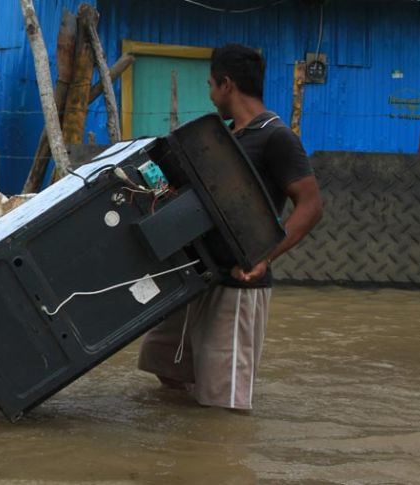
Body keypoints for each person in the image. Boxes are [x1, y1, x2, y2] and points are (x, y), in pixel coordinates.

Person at [138, 43, 323, 411]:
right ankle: (191, 438)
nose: (209, 95)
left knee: (225, 403)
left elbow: (312, 205)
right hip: (199, 276)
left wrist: (266, 256)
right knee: (162, 362)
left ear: (227, 84)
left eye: (210, 85)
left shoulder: (276, 137)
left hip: (240, 282)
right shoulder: (223, 137)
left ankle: (220, 449)